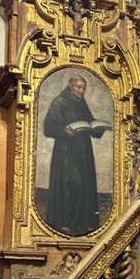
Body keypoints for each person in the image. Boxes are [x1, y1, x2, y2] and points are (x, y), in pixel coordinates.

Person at [43, 75, 108, 235]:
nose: (81, 91)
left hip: (83, 151)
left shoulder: (81, 103)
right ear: (71, 87)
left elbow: (89, 121)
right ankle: (65, 221)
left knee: (85, 183)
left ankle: (82, 222)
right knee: (72, 183)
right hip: (66, 150)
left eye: (83, 88)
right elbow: (49, 126)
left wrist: (97, 127)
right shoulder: (59, 102)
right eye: (78, 87)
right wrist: (64, 130)